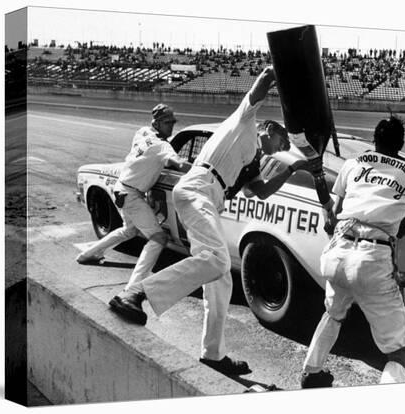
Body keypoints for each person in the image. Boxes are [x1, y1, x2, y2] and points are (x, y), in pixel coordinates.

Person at [108, 66, 314, 376]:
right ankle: (137, 294)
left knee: (221, 280)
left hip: (208, 199)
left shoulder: (254, 162)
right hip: (198, 187)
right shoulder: (245, 121)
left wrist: (290, 170)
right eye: (282, 142)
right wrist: (284, 77)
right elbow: (265, 77)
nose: (283, 149)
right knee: (218, 260)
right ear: (269, 130)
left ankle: (213, 354)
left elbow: (261, 192)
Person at [301, 114, 405, 388]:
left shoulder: (352, 164)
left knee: (333, 314)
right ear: (401, 144)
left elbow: (334, 211)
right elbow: (402, 228)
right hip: (372, 259)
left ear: (374, 140)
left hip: (337, 253)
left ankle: (311, 372)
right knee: (399, 350)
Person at [76, 104, 187, 292]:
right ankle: (133, 287)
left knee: (129, 231)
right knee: (159, 238)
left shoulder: (142, 132)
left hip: (121, 189)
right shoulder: (162, 146)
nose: (171, 127)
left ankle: (87, 255)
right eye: (167, 123)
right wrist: (204, 169)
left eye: (173, 122)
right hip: (131, 195)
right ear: (157, 123)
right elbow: (178, 164)